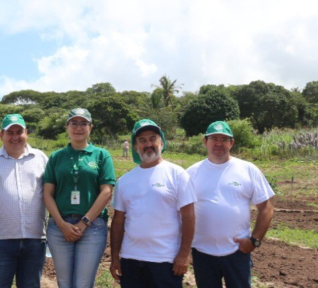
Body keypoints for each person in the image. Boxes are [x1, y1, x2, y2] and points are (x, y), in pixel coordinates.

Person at [187, 121, 275, 288]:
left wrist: (254, 240)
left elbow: (267, 209)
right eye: (214, 138)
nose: (219, 143)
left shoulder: (248, 169)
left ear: (231, 143)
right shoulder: (191, 173)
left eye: (224, 139)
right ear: (205, 141)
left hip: (237, 252)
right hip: (202, 253)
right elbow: (181, 212)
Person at [109, 119, 196, 288]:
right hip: (131, 259)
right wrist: (114, 258)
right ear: (135, 147)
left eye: (152, 139)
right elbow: (118, 221)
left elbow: (189, 217)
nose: (148, 144)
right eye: (142, 141)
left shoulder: (177, 175)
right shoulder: (125, 181)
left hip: (165, 260)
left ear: (161, 143)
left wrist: (184, 255)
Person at [0, 114, 48, 288]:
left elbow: (51, 192)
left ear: (26, 133)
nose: (15, 137)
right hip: (0, 239)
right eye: (10, 132)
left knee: (30, 285)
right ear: (1, 135)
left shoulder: (40, 158)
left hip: (34, 238)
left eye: (19, 132)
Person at [42, 108, 116, 288]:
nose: (78, 127)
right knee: (64, 282)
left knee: (83, 283)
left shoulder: (101, 155)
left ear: (91, 127)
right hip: (60, 227)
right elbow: (47, 193)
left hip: (92, 227)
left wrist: (84, 222)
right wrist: (61, 224)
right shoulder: (56, 157)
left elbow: (106, 191)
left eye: (84, 123)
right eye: (74, 123)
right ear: (67, 127)